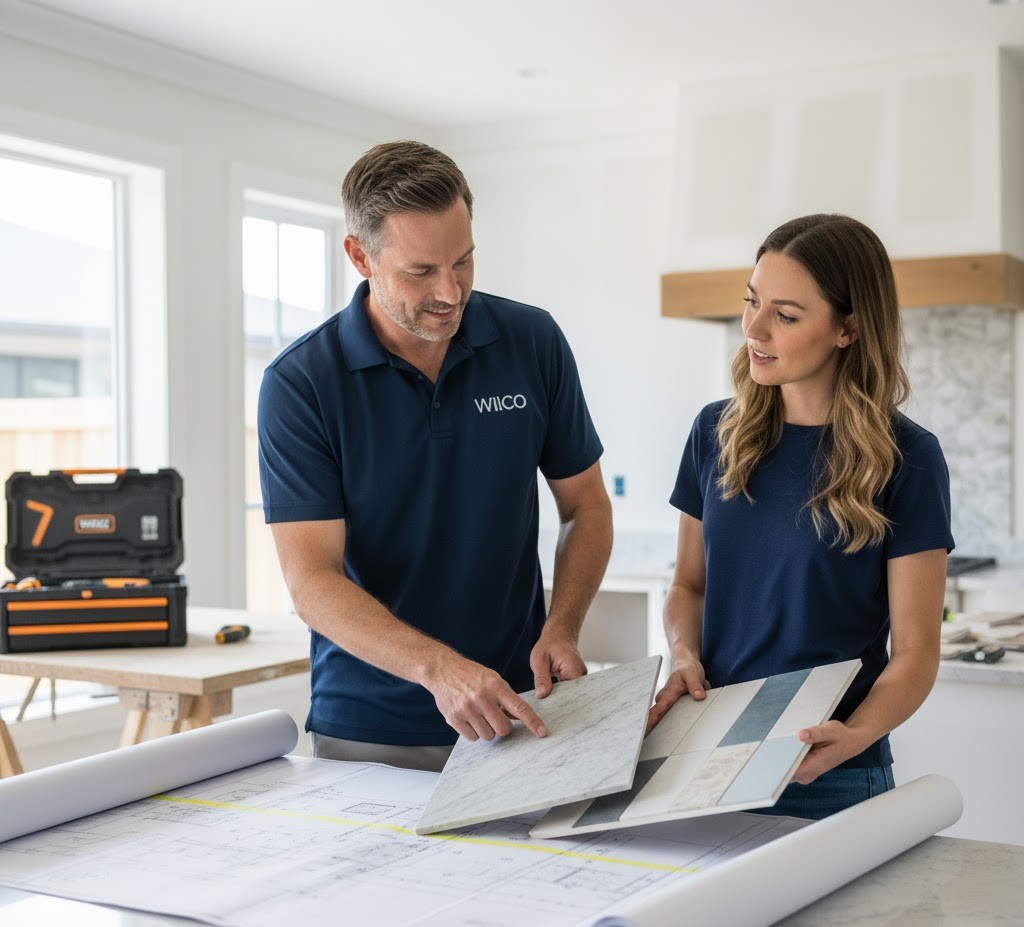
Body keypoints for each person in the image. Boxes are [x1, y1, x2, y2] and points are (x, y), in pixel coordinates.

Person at [257, 140, 613, 772]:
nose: (451, 292)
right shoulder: (301, 383)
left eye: (465, 262)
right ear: (359, 256)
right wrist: (438, 669)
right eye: (421, 272)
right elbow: (312, 581)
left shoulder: (533, 342)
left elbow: (585, 506)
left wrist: (562, 626)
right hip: (371, 729)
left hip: (520, 712)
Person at [648, 214, 953, 820]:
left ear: (848, 329)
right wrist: (683, 654)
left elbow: (916, 652)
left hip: (830, 773)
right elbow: (689, 585)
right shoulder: (715, 432)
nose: (754, 330)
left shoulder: (908, 459)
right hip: (706, 755)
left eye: (785, 316)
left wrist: (857, 735)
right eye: (752, 302)